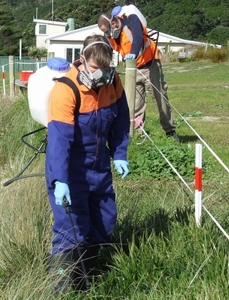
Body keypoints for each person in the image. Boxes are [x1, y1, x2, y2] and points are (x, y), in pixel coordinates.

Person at [45, 34, 130, 294]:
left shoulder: (113, 81)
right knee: (72, 229)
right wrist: (59, 180)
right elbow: (59, 140)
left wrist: (119, 153)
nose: (100, 75)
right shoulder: (66, 89)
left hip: (99, 166)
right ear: (82, 60)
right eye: (95, 69)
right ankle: (61, 287)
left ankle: (92, 278)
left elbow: (120, 119)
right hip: (71, 169)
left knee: (105, 222)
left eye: (105, 69)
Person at [98, 8, 179, 142]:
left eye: (107, 30)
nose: (108, 33)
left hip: (150, 66)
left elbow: (138, 38)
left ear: (113, 23)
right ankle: (138, 134)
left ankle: (170, 131)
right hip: (132, 70)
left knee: (160, 99)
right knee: (135, 104)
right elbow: (109, 49)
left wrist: (133, 54)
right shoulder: (113, 36)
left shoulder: (131, 19)